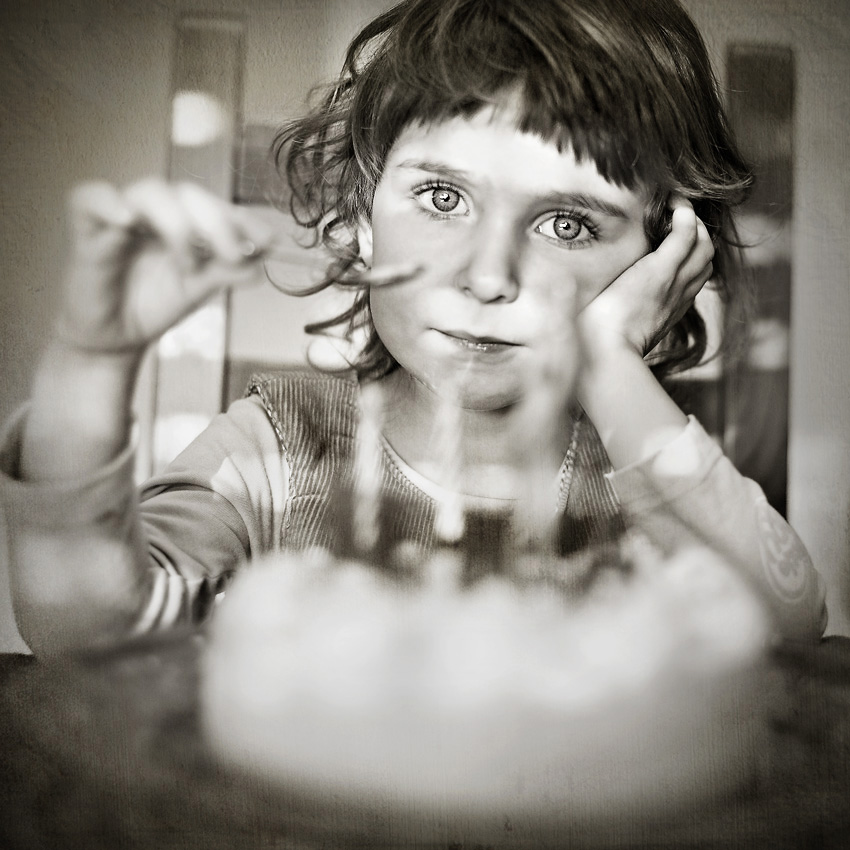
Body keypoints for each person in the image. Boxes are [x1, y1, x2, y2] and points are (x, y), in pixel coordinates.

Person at [0, 0, 826, 657]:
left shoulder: (655, 476)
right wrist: (90, 361)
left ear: (665, 256)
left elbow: (787, 635)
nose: (487, 276)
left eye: (567, 223)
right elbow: (89, 634)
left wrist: (609, 362)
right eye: (442, 197)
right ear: (363, 218)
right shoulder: (275, 451)